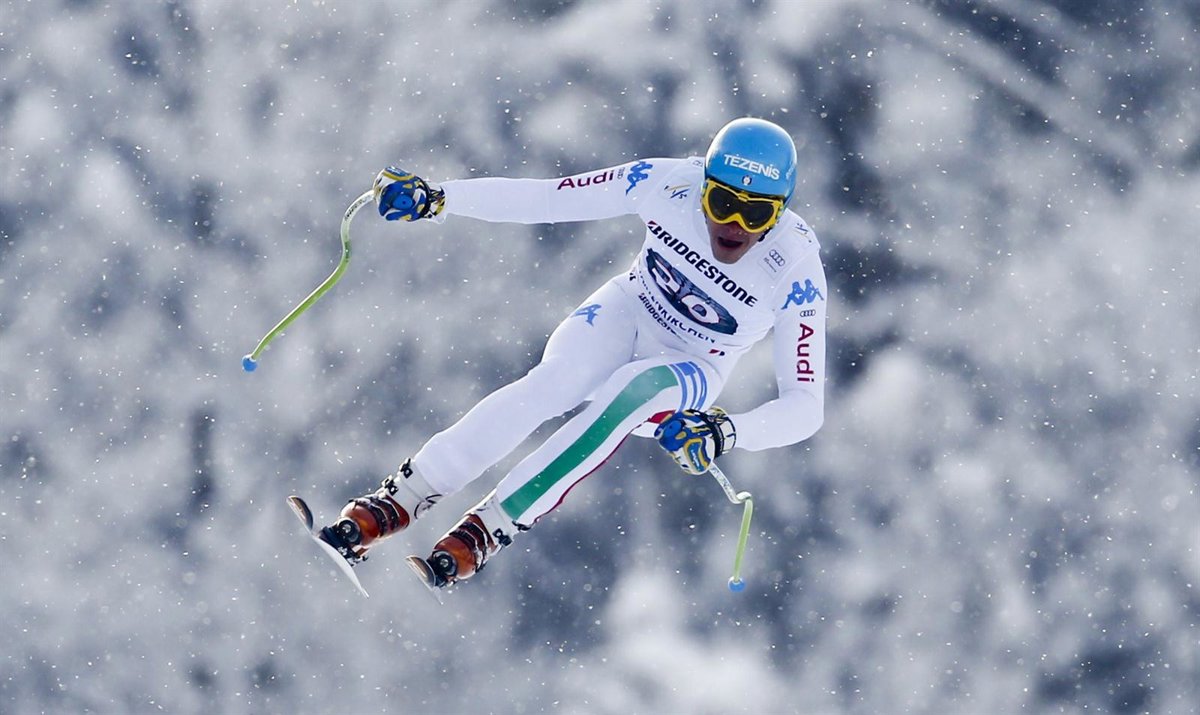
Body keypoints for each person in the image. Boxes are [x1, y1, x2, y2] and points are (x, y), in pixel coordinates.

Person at [316, 117, 828, 591]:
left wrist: (726, 431)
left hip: (692, 366)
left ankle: (490, 527)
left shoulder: (795, 267)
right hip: (629, 310)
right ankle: (398, 500)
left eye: (756, 212)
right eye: (721, 203)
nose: (734, 224)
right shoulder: (669, 183)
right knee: (555, 383)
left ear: (780, 211)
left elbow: (805, 406)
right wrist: (439, 198)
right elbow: (548, 198)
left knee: (631, 393)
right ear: (703, 187)